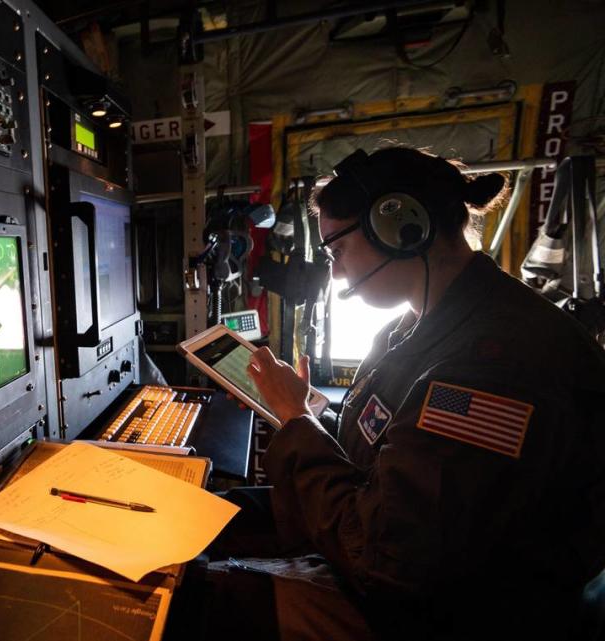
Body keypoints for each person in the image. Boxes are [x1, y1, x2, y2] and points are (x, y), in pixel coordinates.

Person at [190, 147, 605, 641]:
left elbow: (386, 559)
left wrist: (297, 421)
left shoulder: (494, 365)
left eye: (336, 250)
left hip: (452, 613)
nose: (335, 271)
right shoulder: (420, 322)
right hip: (396, 556)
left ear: (402, 228)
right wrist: (302, 411)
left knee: (192, 597)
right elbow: (384, 448)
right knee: (211, 514)